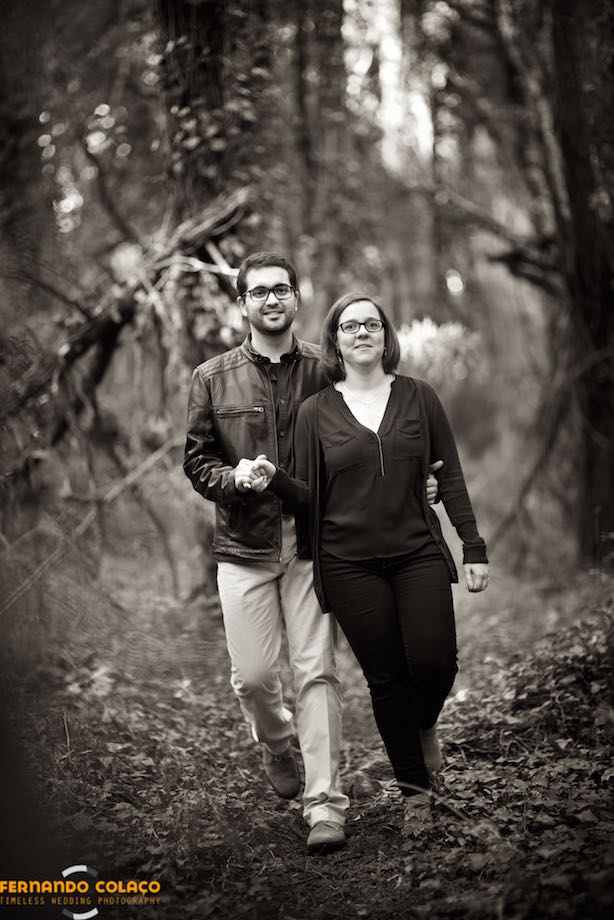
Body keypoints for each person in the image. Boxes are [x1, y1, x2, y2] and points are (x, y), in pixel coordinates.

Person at [183, 255, 441, 853]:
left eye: (282, 290)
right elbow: (197, 462)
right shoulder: (211, 377)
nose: (271, 300)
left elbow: (367, 440)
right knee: (251, 679)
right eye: (259, 292)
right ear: (241, 303)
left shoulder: (325, 372)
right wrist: (234, 480)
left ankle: (324, 805)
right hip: (241, 546)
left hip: (311, 544)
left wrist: (415, 484)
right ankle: (276, 744)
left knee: (316, 672)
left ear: (296, 298)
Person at [251, 290, 489, 827]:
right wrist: (274, 479)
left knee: (434, 664)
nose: (362, 333)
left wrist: (472, 545)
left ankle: (424, 725)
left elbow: (448, 474)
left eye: (372, 325)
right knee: (385, 680)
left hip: (416, 553)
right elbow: (308, 492)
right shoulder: (316, 411)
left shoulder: (419, 397)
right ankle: (415, 795)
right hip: (348, 563)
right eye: (350, 326)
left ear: (386, 336)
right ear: (335, 340)